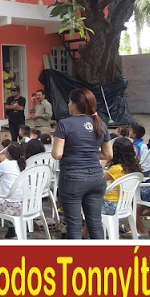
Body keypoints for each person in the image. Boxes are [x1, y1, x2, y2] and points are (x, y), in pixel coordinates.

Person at [52, 88, 113, 238]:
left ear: (74, 104)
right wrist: (89, 152)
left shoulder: (65, 124)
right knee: (95, 223)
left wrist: (74, 151)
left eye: (69, 102)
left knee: (74, 225)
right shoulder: (100, 124)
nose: (68, 105)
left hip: (73, 178)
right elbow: (108, 154)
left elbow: (57, 154)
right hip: (97, 178)